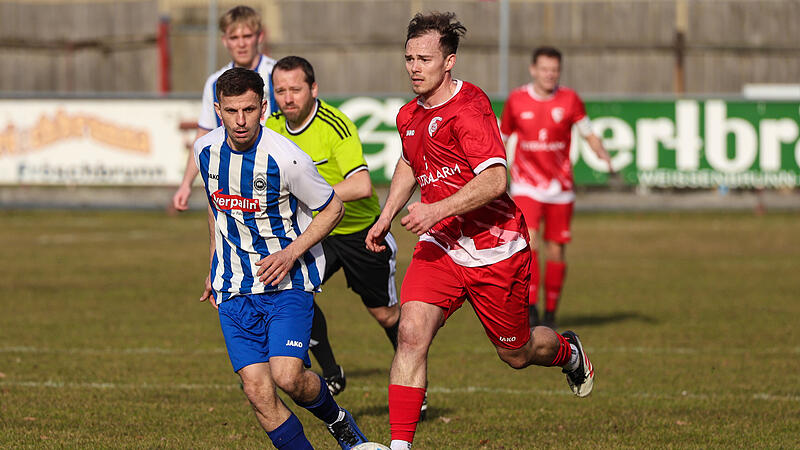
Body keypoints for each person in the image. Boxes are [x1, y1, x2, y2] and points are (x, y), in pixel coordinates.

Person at [365, 13, 595, 450]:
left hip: (496, 249)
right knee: (411, 334)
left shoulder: (470, 108)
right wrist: (385, 215)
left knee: (517, 353)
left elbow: (495, 181)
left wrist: (435, 210)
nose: (414, 67)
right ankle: (400, 446)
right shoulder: (408, 114)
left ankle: (568, 353)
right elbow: (410, 162)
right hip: (441, 249)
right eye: (409, 58)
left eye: (424, 59)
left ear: (448, 62)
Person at [194, 67, 368, 450]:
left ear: (263, 107)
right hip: (234, 288)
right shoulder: (204, 151)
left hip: (288, 284)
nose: (241, 121)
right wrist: (212, 263)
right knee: (258, 392)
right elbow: (215, 207)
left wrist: (291, 253)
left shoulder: (288, 160)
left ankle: (337, 419)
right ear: (217, 110)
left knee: (288, 377)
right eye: (231, 111)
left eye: (249, 110)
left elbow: (333, 209)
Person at [266, 56, 401, 398]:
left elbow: (361, 186)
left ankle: (411, 380)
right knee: (292, 292)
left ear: (313, 88)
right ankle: (331, 372)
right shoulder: (272, 127)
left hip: (361, 233)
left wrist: (308, 197)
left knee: (385, 315)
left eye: (295, 89)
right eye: (280, 90)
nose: (288, 97)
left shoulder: (335, 125)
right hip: (317, 234)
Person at [500, 46, 612, 329]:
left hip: (560, 187)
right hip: (526, 185)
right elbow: (501, 137)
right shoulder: (516, 100)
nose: (549, 75)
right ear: (533, 69)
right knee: (530, 243)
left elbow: (587, 132)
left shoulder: (570, 99)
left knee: (556, 251)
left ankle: (551, 311)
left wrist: (602, 153)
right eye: (544, 69)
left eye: (554, 70)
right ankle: (532, 307)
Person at [173, 5, 278, 211]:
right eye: (234, 37)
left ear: (260, 36)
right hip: (234, 177)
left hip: (275, 171)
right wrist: (186, 184)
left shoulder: (277, 74)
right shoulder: (215, 83)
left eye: (247, 36)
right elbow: (204, 133)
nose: (241, 44)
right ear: (224, 40)